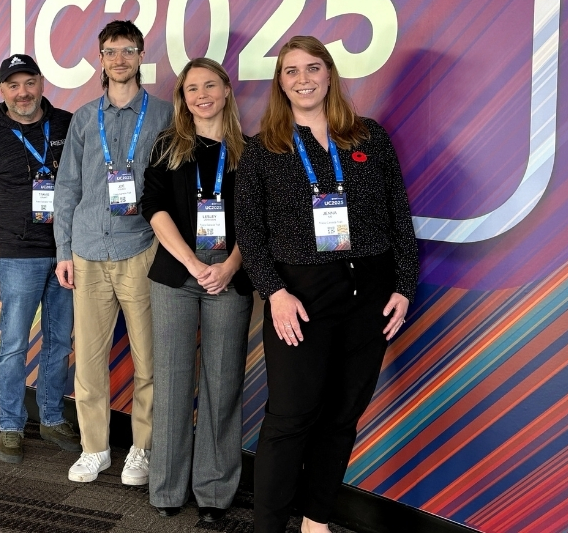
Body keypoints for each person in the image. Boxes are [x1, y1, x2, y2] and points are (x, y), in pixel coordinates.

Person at [234, 36, 418, 533]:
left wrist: (403, 286)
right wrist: (274, 293)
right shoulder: (264, 149)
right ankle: (269, 527)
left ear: (330, 74)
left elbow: (399, 215)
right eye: (291, 71)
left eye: (312, 68)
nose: (303, 79)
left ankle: (317, 520)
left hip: (371, 294)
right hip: (300, 296)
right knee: (290, 419)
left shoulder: (367, 137)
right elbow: (249, 232)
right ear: (281, 83)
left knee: (341, 417)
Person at [53, 20, 173, 484]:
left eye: (127, 50)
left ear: (141, 56)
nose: (119, 59)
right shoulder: (84, 118)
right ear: (100, 60)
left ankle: (141, 449)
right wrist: (64, 249)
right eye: (110, 51)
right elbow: (66, 187)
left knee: (149, 360)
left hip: (140, 249)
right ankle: (95, 448)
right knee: (88, 362)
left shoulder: (164, 114)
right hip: (86, 251)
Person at [140, 58, 254, 522]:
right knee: (171, 382)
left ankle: (213, 493)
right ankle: (166, 489)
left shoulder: (252, 151)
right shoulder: (169, 146)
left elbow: (259, 220)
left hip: (231, 276)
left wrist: (228, 266)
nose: (201, 94)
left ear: (227, 90)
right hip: (175, 278)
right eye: (192, 88)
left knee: (222, 385)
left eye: (210, 85)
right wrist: (192, 262)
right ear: (182, 98)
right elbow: (154, 206)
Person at [0, 53, 82, 464]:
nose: (23, 92)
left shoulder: (69, 126)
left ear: (41, 83)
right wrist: (14, 227)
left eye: (29, 82)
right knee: (14, 344)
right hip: (19, 256)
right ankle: (11, 426)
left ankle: (51, 417)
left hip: (67, 253)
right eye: (13, 85)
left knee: (59, 341)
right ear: (2, 90)